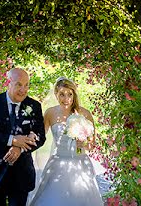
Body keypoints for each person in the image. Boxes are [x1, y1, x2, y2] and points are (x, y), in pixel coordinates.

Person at [27, 77, 103, 206]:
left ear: (74, 95)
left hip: (80, 163)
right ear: (56, 94)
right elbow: (40, 136)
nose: (66, 98)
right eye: (62, 94)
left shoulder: (85, 114)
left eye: (69, 94)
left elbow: (91, 145)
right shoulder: (50, 113)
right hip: (58, 163)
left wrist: (82, 144)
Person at [0, 68, 47, 206]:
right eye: (19, 84)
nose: (24, 89)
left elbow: (40, 136)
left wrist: (20, 148)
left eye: (26, 85)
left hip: (21, 175)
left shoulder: (34, 106)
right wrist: (12, 140)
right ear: (8, 83)